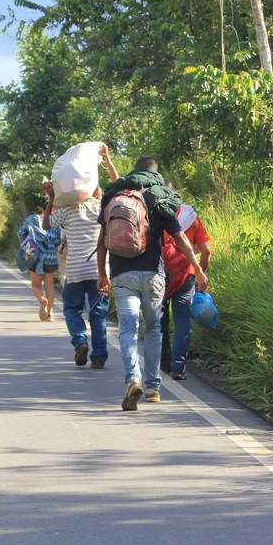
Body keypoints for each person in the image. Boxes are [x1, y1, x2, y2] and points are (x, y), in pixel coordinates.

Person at [96, 157, 209, 411]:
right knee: (153, 328)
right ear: (154, 173)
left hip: (122, 275)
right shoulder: (159, 197)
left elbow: (102, 241)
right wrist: (199, 269)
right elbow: (180, 238)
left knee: (128, 330)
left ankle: (133, 379)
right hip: (153, 275)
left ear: (134, 170)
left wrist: (102, 274)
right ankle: (152, 387)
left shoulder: (115, 196)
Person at [43, 143, 119, 368]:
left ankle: (80, 341)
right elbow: (118, 186)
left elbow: (46, 224)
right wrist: (107, 159)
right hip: (99, 270)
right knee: (98, 313)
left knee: (72, 309)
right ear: (95, 190)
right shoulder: (101, 207)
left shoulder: (66, 211)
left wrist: (51, 198)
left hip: (75, 269)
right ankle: (99, 358)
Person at [159, 180, 211, 379]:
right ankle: (179, 365)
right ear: (176, 193)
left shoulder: (154, 215)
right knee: (182, 319)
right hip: (186, 274)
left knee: (160, 319)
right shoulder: (191, 216)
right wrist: (199, 273)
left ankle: (164, 362)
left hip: (160, 273)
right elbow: (206, 250)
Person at [16, 198, 61, 321]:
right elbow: (58, 241)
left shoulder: (32, 219)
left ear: (41, 206)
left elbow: (20, 234)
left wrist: (28, 241)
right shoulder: (55, 222)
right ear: (53, 207)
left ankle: (42, 300)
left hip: (35, 256)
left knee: (36, 285)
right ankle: (50, 314)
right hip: (51, 258)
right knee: (49, 286)